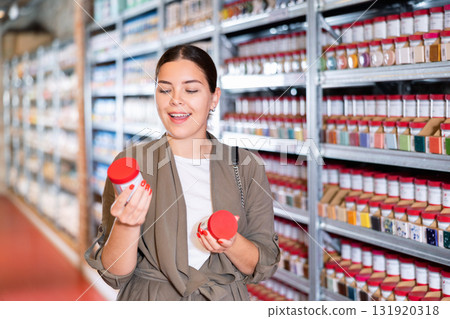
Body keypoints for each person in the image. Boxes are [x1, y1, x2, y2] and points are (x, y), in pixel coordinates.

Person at [85, 45, 280, 301]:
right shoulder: (131, 165)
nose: (175, 99)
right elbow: (113, 274)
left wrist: (230, 242)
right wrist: (127, 224)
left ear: (214, 98)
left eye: (191, 90)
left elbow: (262, 263)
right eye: (165, 89)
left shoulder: (246, 165)